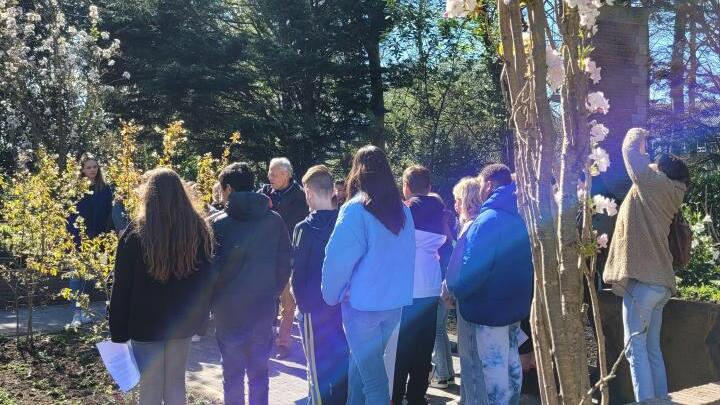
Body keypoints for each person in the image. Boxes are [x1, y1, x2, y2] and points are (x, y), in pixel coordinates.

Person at [109, 168, 215, 405]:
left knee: (150, 386)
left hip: (144, 324)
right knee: (176, 383)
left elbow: (122, 287)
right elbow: (206, 283)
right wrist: (200, 321)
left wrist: (118, 331)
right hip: (181, 323)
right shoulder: (198, 230)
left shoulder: (134, 235)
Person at [322, 145, 415, 405]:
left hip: (362, 307)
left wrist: (332, 295)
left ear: (357, 172)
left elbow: (337, 261)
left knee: (373, 380)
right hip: (394, 304)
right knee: (361, 373)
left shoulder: (355, 209)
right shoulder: (403, 210)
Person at [603, 128, 689, 402]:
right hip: (660, 284)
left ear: (661, 171)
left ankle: (647, 402)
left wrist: (636, 133)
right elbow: (641, 167)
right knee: (651, 348)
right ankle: (660, 400)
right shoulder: (670, 190)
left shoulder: (654, 184)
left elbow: (629, 153)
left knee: (634, 348)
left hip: (644, 282)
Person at [448, 164, 533, 405]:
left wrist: (457, 291)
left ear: (487, 185)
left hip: (488, 312)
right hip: (513, 310)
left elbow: (472, 270)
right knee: (511, 371)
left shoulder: (487, 220)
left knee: (492, 379)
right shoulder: (520, 216)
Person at [213, 162, 292, 405]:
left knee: (232, 377)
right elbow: (285, 261)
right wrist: (273, 292)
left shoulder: (218, 224)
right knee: (259, 374)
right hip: (262, 309)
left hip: (228, 313)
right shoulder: (274, 220)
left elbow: (210, 272)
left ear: (228, 189)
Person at [293, 165, 349, 405]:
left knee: (316, 371)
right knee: (340, 365)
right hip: (341, 307)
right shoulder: (345, 224)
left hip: (312, 310)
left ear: (309, 192)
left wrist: (301, 307)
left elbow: (297, 274)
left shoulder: (303, 229)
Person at [393, 165, 447, 405]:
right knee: (424, 348)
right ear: (429, 187)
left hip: (406, 287)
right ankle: (416, 397)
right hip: (431, 286)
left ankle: (395, 396)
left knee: (401, 349)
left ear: (406, 187)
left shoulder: (403, 212)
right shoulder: (443, 212)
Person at [259, 157, 309, 359]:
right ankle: (265, 337)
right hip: (265, 254)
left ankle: (284, 342)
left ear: (287, 175)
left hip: (288, 255)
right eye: (270, 172)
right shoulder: (263, 193)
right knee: (265, 298)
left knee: (287, 300)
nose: (270, 176)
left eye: (275, 173)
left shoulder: (300, 196)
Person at [443, 177, 487, 404]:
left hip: (469, 304)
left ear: (466, 200)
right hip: (487, 304)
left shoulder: (470, 226)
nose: (455, 206)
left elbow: (455, 269)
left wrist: (448, 292)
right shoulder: (487, 223)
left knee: (469, 358)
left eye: (457, 200)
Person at [67, 153, 115, 326]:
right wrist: (76, 236)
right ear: (82, 169)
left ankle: (85, 310)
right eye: (89, 167)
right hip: (78, 237)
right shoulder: (76, 189)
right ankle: (76, 313)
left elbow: (109, 214)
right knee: (76, 275)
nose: (92, 170)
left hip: (98, 238)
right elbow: (70, 215)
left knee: (89, 275)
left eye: (95, 167)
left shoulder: (106, 188)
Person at [430, 191, 458, 390]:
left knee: (437, 331)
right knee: (442, 331)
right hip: (447, 284)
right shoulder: (448, 231)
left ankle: (442, 375)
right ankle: (446, 374)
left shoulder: (436, 233)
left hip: (439, 285)